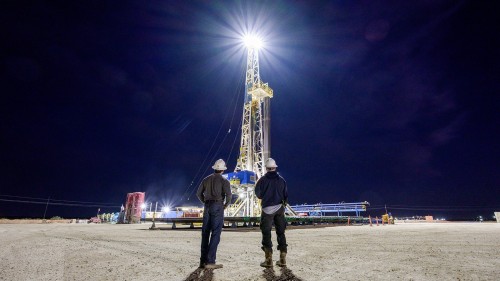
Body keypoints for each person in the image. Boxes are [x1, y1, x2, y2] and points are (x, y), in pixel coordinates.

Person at [196, 159, 232, 269]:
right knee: (216, 233)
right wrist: (225, 205)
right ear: (222, 169)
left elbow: (198, 194)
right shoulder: (224, 181)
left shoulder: (206, 179)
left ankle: (203, 261)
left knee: (205, 233)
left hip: (207, 206)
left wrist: (205, 202)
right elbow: (229, 196)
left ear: (215, 168)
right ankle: (210, 261)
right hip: (218, 206)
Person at [255, 158, 288, 267]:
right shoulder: (282, 180)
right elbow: (285, 195)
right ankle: (283, 258)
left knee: (266, 232)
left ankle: (268, 260)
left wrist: (266, 196)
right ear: (275, 167)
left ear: (266, 168)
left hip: (267, 209)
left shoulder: (262, 180)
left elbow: (258, 194)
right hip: (279, 208)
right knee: (281, 232)